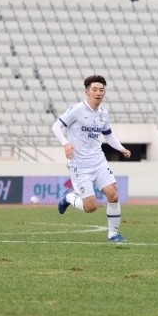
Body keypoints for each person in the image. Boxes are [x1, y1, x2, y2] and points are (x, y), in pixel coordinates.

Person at [53, 75, 131, 243]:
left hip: (99, 161)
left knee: (114, 196)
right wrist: (66, 144)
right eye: (94, 90)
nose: (98, 93)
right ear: (86, 91)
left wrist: (122, 148)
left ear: (104, 93)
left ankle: (113, 235)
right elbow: (56, 126)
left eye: (101, 90)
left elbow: (109, 136)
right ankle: (68, 197)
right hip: (80, 165)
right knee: (91, 207)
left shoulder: (103, 114)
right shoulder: (76, 109)